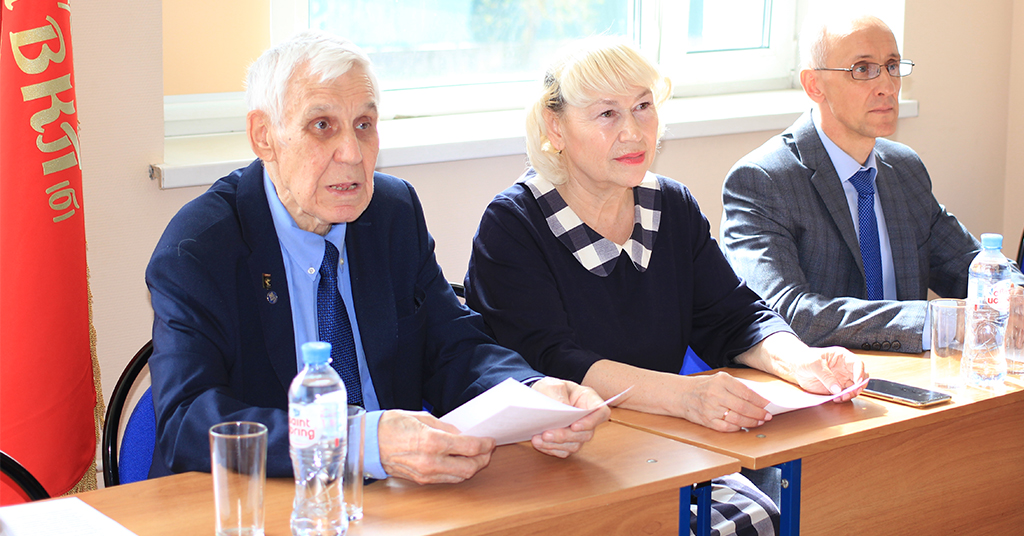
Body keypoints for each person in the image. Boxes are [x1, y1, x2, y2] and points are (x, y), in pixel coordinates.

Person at [146, 30, 608, 484]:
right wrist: (358, 443)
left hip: (394, 501)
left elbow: (454, 346)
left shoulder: (391, 212)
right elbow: (186, 420)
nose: (352, 153)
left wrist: (532, 392)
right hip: (261, 500)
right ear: (264, 136)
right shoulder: (200, 247)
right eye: (322, 126)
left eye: (364, 125)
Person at [463, 38, 866, 536]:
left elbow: (734, 316)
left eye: (643, 107)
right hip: (551, 459)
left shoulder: (671, 205)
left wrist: (802, 360)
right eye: (607, 114)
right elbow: (549, 361)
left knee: (780, 516)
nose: (633, 132)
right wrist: (684, 397)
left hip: (660, 449)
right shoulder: (513, 223)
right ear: (555, 127)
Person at [720, 14, 981, 354]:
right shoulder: (762, 180)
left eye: (892, 66)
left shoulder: (905, 168)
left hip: (913, 371)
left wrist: (1011, 294)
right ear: (814, 85)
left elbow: (970, 265)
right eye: (862, 69)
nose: (887, 86)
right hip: (824, 378)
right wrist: (933, 322)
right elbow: (785, 312)